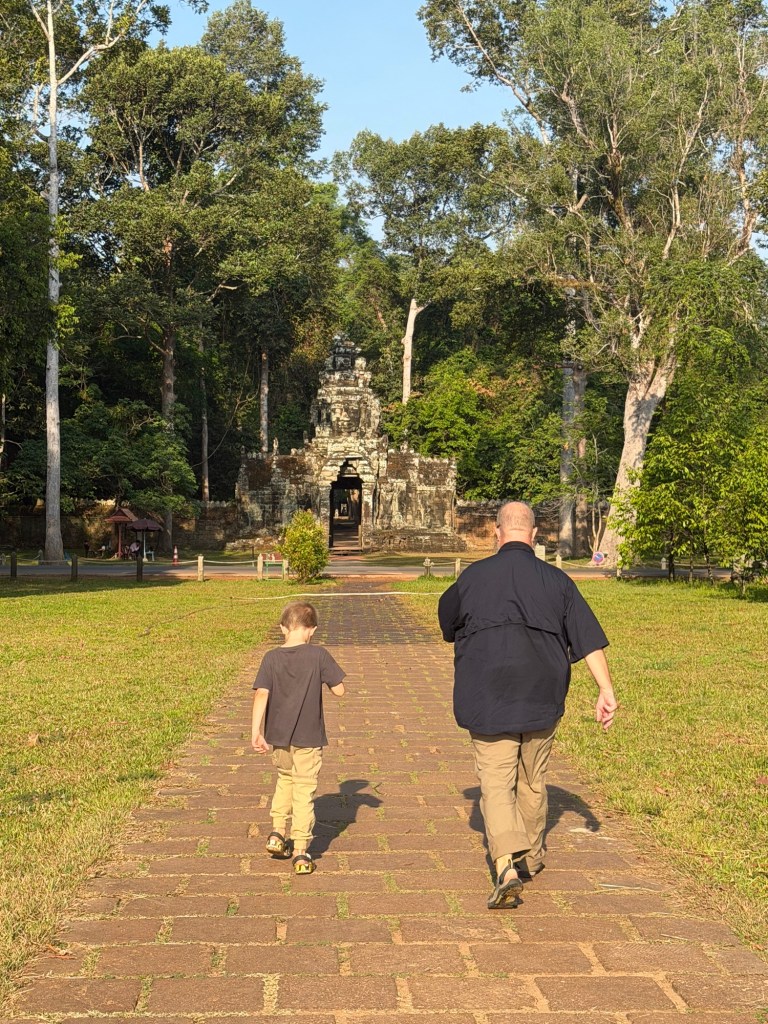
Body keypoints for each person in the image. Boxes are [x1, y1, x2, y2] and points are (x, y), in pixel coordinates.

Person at [438, 501, 618, 910]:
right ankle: (530, 857)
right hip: (541, 696)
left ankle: (506, 867)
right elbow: (587, 639)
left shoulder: (472, 579)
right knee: (534, 780)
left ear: (496, 533)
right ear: (534, 535)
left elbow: (447, 625)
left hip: (488, 696)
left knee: (497, 784)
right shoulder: (558, 582)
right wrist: (605, 689)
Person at [251, 600, 346, 874]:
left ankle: (277, 833)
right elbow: (339, 690)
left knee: (285, 780)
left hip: (277, 737)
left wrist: (256, 731)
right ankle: (302, 850)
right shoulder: (318, 656)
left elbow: (261, 694)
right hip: (309, 736)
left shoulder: (270, 658)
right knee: (304, 789)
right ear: (312, 630)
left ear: (283, 628)